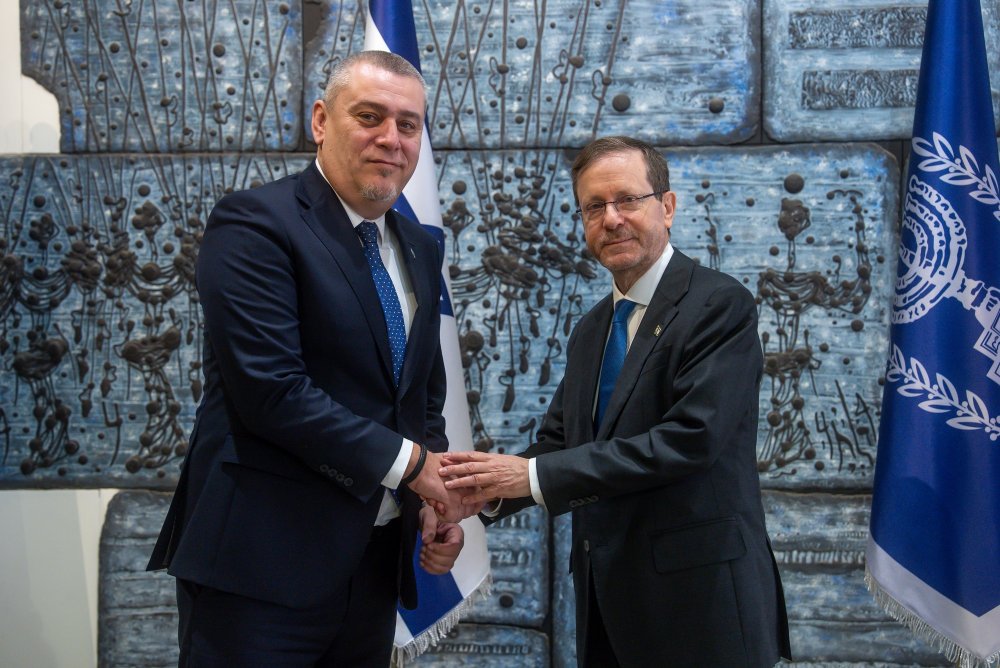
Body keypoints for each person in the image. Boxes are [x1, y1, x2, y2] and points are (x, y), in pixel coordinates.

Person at [147, 51, 471, 667]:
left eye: (408, 124)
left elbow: (421, 396)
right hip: (261, 567)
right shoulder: (255, 223)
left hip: (373, 569)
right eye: (369, 116)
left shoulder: (421, 245)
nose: (391, 138)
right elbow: (272, 392)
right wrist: (414, 467)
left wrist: (434, 500)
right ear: (321, 120)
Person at [439, 136, 792, 667]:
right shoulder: (592, 329)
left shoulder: (719, 305)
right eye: (594, 207)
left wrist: (527, 477)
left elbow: (690, 441)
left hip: (701, 609)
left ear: (667, 207)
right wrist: (480, 497)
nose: (611, 219)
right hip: (607, 606)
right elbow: (560, 443)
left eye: (628, 199)